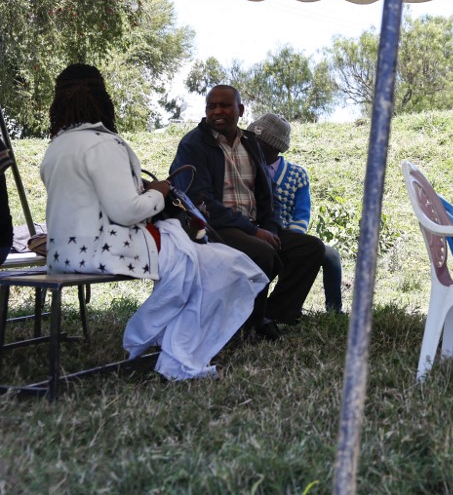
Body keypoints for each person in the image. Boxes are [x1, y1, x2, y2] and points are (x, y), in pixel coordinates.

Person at [38, 64, 269, 380]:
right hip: (106, 252)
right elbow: (128, 212)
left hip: (65, 255)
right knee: (229, 266)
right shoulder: (104, 144)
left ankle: (167, 337)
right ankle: (178, 348)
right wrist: (159, 192)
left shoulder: (56, 147)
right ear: (103, 99)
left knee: (206, 261)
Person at [170, 85, 325, 341]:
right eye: (212, 106)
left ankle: (271, 315)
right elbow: (198, 199)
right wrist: (254, 231)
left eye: (225, 105)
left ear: (240, 110)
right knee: (262, 252)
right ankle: (248, 323)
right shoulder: (194, 143)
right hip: (213, 227)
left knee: (310, 249)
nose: (218, 111)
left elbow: (269, 194)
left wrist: (271, 230)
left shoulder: (251, 143)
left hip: (254, 226)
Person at [248, 113, 344, 313]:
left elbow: (301, 214)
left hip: (287, 235)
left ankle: (334, 310)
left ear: (274, 146)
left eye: (259, 141)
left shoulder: (297, 174)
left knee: (331, 256)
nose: (252, 145)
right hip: (255, 232)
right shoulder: (246, 168)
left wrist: (292, 239)